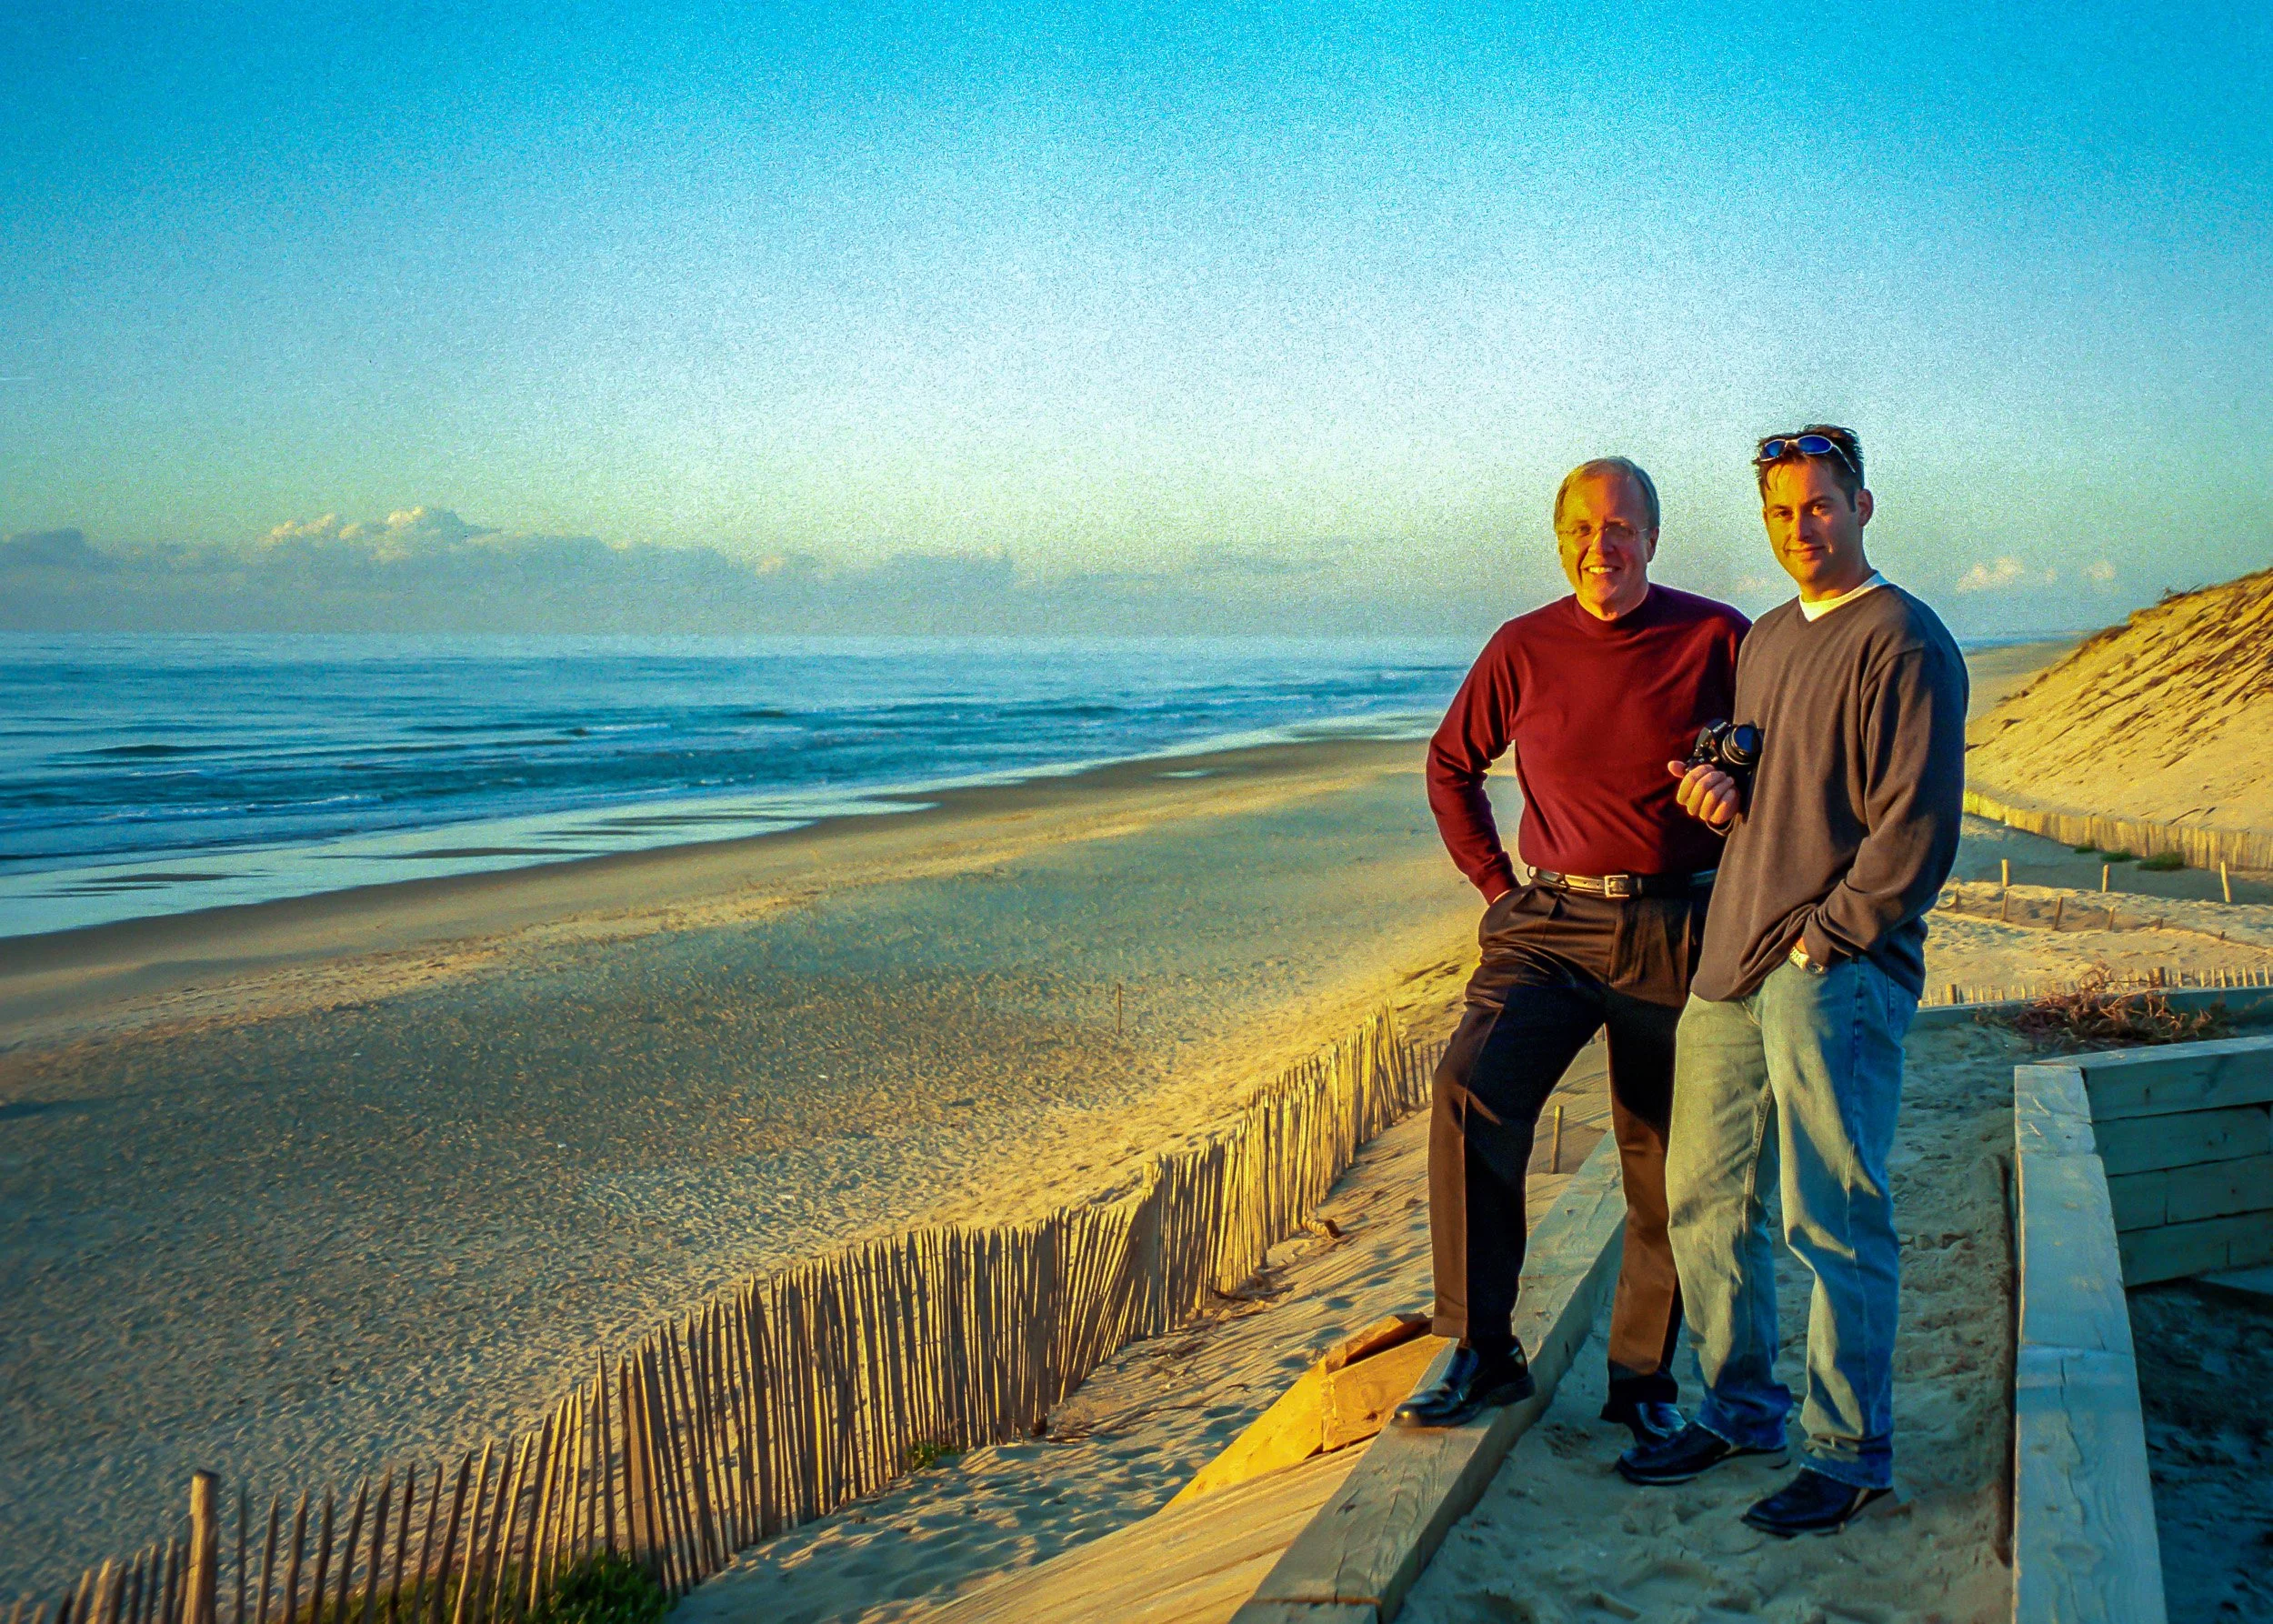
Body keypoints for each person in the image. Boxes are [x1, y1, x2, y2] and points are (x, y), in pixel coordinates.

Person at [1619, 425, 1968, 1537]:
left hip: (1831, 969)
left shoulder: (1903, 639)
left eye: (1818, 507)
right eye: (1779, 514)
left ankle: (1850, 1448)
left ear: (1863, 506)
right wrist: (1716, 788)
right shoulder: (1766, 637)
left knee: (1832, 1212)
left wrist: (1831, 938)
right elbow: (1761, 767)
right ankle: (1738, 1408)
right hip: (1732, 955)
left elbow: (1915, 826)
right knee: (1705, 1198)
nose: (1798, 530)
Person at [1397, 456, 1748, 1447]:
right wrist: (1495, 887)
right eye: (1585, 530)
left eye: (1623, 527)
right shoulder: (1521, 646)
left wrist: (1735, 796)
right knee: (1472, 1089)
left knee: (1662, 1164)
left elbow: (1774, 756)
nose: (1605, 547)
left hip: (1680, 923)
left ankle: (1642, 1384)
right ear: (1561, 543)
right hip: (1549, 924)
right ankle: (1481, 1347)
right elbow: (1449, 764)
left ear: (1652, 536)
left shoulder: (1718, 634)